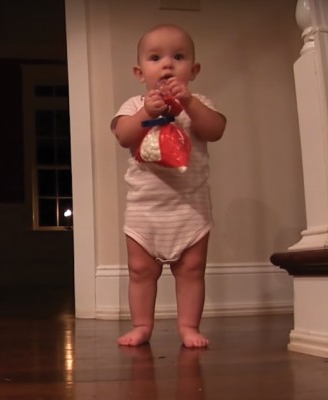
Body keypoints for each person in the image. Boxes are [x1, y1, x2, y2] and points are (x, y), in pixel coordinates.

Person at [111, 24, 226, 348]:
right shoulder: (133, 105)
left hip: (190, 208)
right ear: (139, 72)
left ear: (194, 69)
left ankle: (189, 326)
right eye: (155, 57)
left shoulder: (198, 103)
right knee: (139, 271)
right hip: (145, 208)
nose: (167, 64)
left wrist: (189, 102)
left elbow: (215, 130)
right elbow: (123, 136)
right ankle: (142, 325)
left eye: (178, 57)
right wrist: (147, 111)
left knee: (191, 270)